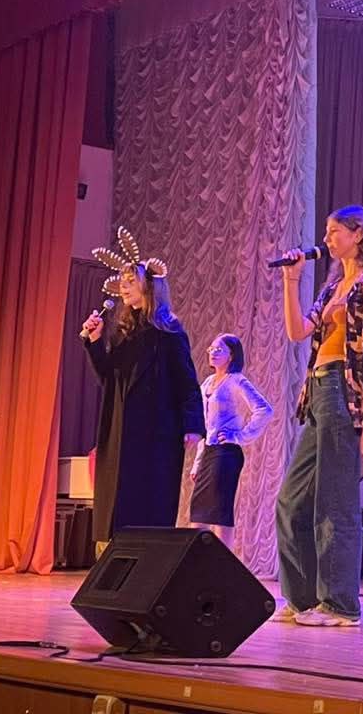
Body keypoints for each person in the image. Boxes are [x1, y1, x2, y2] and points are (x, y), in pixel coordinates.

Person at [272, 205, 363, 627]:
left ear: (358, 234)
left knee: (335, 502)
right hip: (317, 393)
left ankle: (341, 605)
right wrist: (291, 280)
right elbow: (296, 331)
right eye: (325, 232)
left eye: (334, 231)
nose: (326, 239)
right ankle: (303, 598)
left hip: (345, 395)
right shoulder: (331, 290)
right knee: (291, 500)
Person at [82, 231, 205, 554]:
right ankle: (113, 559)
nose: (123, 288)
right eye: (122, 282)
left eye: (130, 282)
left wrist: (193, 425)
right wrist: (94, 343)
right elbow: (109, 378)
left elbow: (187, 381)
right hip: (121, 431)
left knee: (148, 502)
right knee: (117, 502)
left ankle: (147, 560)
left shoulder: (169, 332)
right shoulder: (123, 333)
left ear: (149, 288)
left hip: (155, 431)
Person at [188, 333, 273, 551]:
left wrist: (239, 436)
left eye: (219, 350)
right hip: (209, 453)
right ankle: (196, 561)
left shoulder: (236, 380)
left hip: (226, 454)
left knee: (219, 512)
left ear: (231, 355)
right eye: (211, 349)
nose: (213, 353)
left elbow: (264, 410)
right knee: (198, 511)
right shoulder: (207, 383)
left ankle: (222, 563)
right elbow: (205, 425)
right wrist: (197, 462)